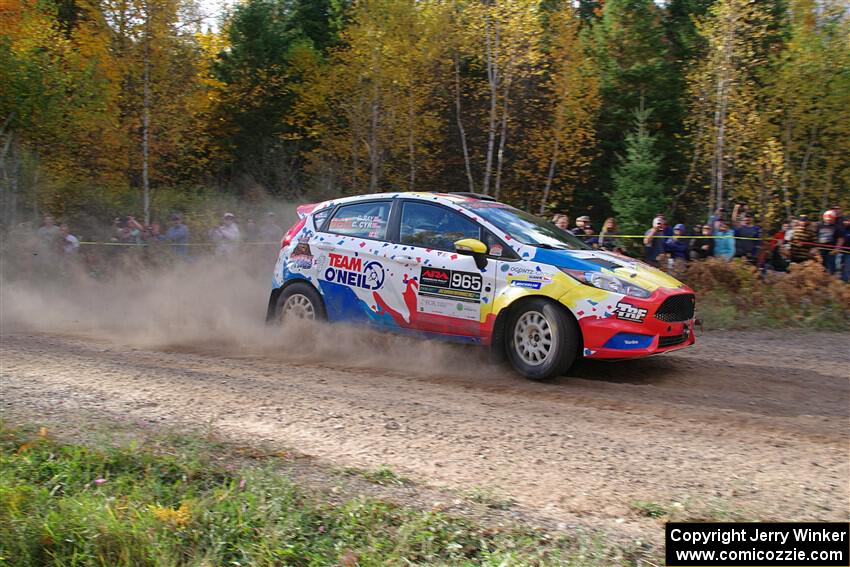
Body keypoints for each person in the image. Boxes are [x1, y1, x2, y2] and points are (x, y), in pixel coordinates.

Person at [815, 209, 843, 275]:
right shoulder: (820, 226)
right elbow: (817, 237)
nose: (828, 219)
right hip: (821, 250)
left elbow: (840, 239)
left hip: (831, 251)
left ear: (833, 218)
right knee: (820, 268)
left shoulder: (837, 227)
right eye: (827, 218)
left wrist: (836, 249)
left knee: (830, 269)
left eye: (830, 218)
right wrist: (816, 248)